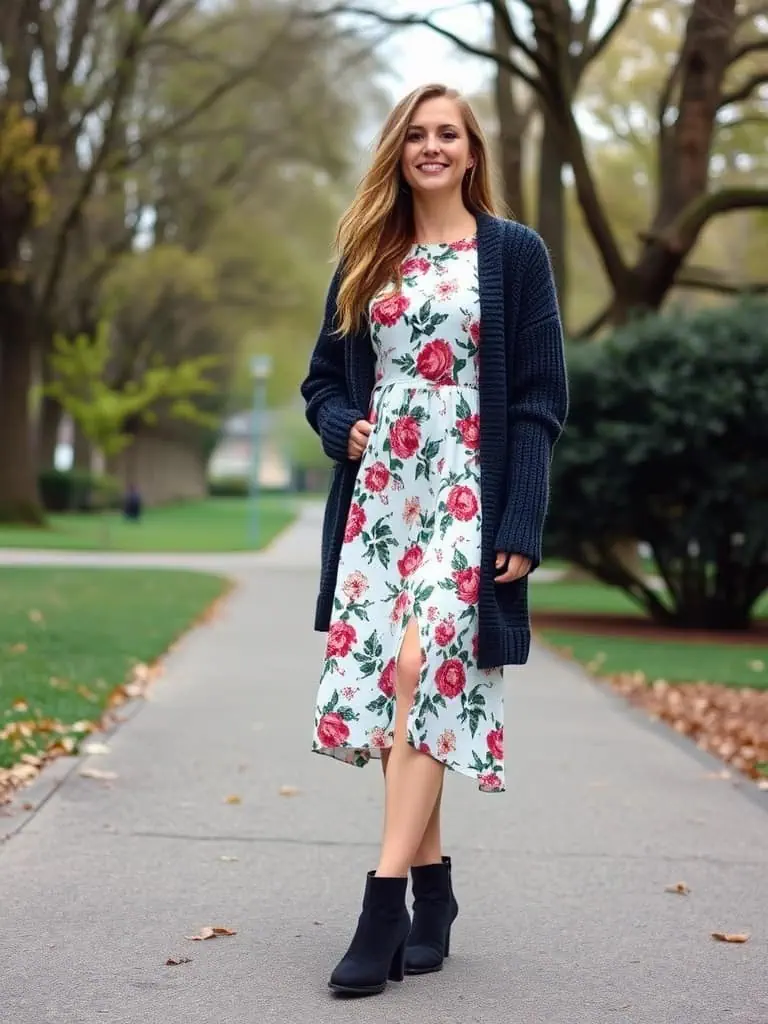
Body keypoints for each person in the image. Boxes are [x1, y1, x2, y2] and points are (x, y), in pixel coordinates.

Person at [300, 82, 568, 997]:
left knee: (421, 673)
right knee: (391, 688)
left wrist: (522, 520)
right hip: (382, 501)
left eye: (448, 133)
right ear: (398, 149)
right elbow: (322, 385)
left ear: (472, 151)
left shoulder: (515, 254)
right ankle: (436, 889)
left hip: (470, 492)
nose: (432, 147)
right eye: (416, 134)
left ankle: (383, 903)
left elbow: (538, 399)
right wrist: (346, 429)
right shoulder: (367, 254)